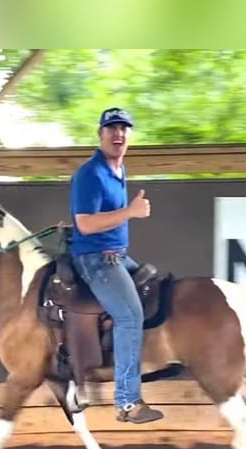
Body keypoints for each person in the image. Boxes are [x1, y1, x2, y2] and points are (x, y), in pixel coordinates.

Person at [68, 107, 165, 424]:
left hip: (118, 255)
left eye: (124, 128)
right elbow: (84, 224)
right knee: (130, 315)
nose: (118, 134)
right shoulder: (91, 174)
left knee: (156, 291)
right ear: (100, 134)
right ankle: (126, 402)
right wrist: (131, 212)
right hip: (95, 260)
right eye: (111, 128)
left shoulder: (119, 170)